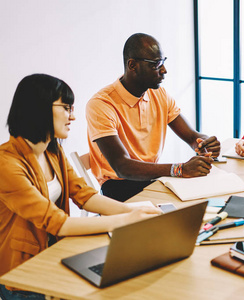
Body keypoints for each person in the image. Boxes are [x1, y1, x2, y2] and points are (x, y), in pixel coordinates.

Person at [0, 74, 161, 300]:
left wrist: (135, 212)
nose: (72, 116)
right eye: (66, 108)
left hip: (56, 253)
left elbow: (85, 196)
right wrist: (126, 220)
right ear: (39, 108)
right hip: (24, 271)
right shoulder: (6, 164)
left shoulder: (52, 151)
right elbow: (57, 222)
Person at [86, 33, 221, 202]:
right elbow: (122, 167)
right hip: (118, 187)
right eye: (157, 64)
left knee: (204, 200)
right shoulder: (101, 104)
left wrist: (204, 143)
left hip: (150, 179)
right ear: (132, 65)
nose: (164, 70)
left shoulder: (159, 94)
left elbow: (192, 136)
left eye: (163, 62)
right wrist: (179, 169)